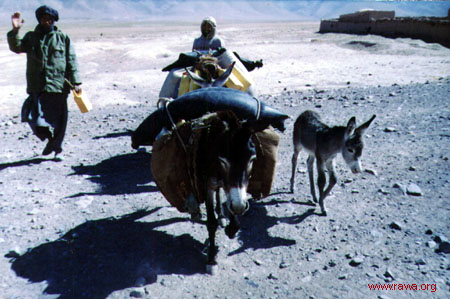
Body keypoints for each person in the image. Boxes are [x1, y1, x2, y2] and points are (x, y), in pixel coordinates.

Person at [7, 5, 82, 158]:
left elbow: (72, 60)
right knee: (33, 118)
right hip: (37, 85)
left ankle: (56, 147)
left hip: (59, 85)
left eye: (49, 19)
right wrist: (15, 31)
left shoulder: (63, 38)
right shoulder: (31, 37)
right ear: (39, 20)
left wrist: (76, 82)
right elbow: (16, 47)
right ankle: (50, 140)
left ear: (54, 20)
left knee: (60, 120)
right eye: (43, 19)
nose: (46, 22)